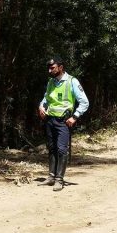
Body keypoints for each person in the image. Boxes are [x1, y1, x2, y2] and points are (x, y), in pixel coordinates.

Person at [37, 58, 89, 191]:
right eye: (49, 68)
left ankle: (59, 179)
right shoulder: (51, 82)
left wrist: (75, 117)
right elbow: (46, 98)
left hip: (63, 122)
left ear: (60, 67)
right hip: (50, 120)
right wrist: (41, 106)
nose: (50, 70)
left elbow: (84, 102)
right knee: (52, 148)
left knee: (61, 150)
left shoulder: (72, 81)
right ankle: (51, 177)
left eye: (52, 68)